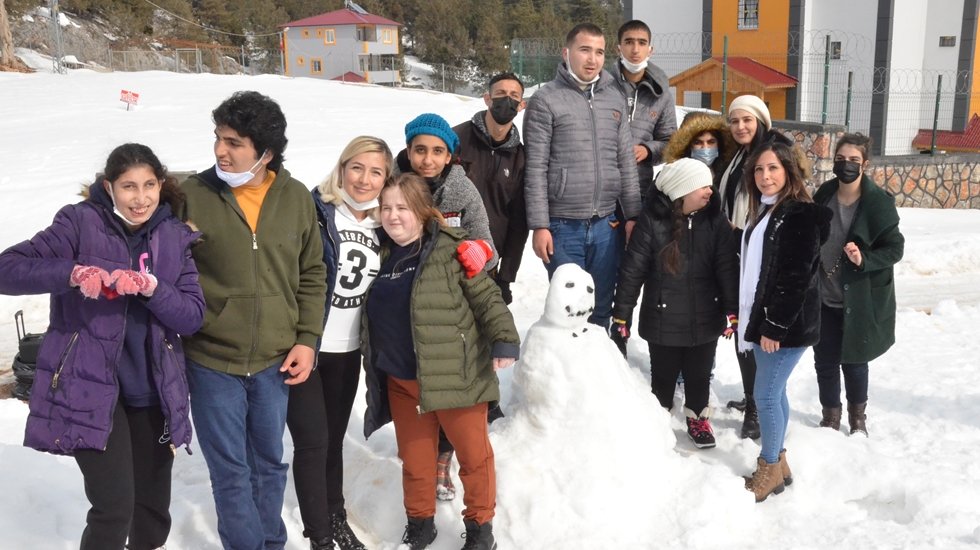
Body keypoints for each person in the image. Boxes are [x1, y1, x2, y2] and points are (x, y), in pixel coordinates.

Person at [0, 143, 205, 550]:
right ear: (109, 187)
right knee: (114, 508)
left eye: (149, 185)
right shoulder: (78, 224)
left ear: (161, 185)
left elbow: (191, 316)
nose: (141, 197)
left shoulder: (173, 236)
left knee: (152, 510)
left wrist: (153, 288)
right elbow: (7, 270)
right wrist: (71, 273)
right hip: (89, 389)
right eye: (129, 186)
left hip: (152, 390)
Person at [180, 91, 327, 550]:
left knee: (269, 463)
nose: (221, 150)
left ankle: (271, 543)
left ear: (265, 152)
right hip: (211, 359)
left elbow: (313, 273)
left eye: (234, 142)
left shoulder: (296, 197)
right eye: (218, 138)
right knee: (230, 472)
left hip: (274, 361)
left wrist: (307, 339)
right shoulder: (191, 196)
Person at [362, 173, 520, 550]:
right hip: (402, 381)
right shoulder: (379, 255)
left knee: (473, 458)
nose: (393, 216)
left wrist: (504, 339)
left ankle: (481, 531)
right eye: (386, 208)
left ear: (422, 210)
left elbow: (487, 298)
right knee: (416, 463)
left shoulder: (452, 249)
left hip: (457, 378)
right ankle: (420, 527)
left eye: (402, 207)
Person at [285, 137, 392, 550]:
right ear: (341, 167)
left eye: (376, 171)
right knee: (312, 442)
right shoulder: (315, 212)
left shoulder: (386, 224)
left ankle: (334, 514)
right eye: (357, 167)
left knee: (330, 441)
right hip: (307, 347)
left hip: (348, 353)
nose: (365, 179)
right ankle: (322, 536)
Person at [612, 158, 739, 449]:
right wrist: (622, 317)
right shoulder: (653, 221)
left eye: (710, 184)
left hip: (706, 316)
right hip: (662, 319)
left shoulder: (715, 221)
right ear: (682, 191)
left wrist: (732, 310)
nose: (710, 191)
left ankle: (697, 417)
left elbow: (726, 268)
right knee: (663, 377)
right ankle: (659, 419)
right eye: (702, 186)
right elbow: (633, 270)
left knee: (699, 375)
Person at [524, 22, 642, 329]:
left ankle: (599, 367)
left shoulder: (614, 99)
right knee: (569, 310)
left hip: (606, 224)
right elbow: (535, 167)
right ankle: (567, 373)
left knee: (602, 304)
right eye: (585, 50)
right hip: (562, 227)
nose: (592, 59)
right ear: (566, 53)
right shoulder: (545, 100)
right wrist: (539, 224)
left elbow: (625, 163)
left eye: (600, 52)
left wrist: (632, 216)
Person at [738, 141, 830, 502]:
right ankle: (781, 463)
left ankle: (770, 467)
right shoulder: (766, 210)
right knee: (774, 392)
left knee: (764, 395)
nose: (765, 176)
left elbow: (796, 277)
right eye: (759, 170)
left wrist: (774, 326)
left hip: (784, 326)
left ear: (789, 170)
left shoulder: (799, 214)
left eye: (773, 168)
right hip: (765, 320)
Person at [812, 133, 904, 436]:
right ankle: (830, 416)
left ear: (865, 164)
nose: (846, 165)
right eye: (841, 159)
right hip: (823, 294)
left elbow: (894, 249)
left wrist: (864, 258)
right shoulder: (824, 194)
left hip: (859, 298)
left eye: (853, 160)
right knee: (824, 361)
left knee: (854, 361)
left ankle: (857, 418)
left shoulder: (878, 203)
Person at [717, 94, 795, 440]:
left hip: (760, 258)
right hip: (739, 253)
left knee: (756, 335)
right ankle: (754, 397)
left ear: (761, 121)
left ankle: (759, 406)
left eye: (747, 119)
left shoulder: (772, 156)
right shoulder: (739, 158)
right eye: (734, 121)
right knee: (743, 332)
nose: (740, 126)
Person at [453, 72, 529, 305]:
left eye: (514, 96)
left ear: (522, 105)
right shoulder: (456, 139)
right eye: (500, 94)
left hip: (489, 262)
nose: (507, 100)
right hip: (450, 254)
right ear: (487, 98)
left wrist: (506, 276)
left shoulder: (521, 158)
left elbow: (519, 222)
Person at [396, 112, 499, 274]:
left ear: (448, 156)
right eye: (420, 150)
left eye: (437, 151)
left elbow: (488, 247)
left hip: (447, 282)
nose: (428, 160)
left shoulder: (463, 191)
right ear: (409, 151)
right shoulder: (389, 186)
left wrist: (480, 250)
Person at [614, 19, 677, 199]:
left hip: (639, 191)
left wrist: (647, 149)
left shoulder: (662, 94)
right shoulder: (602, 87)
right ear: (618, 48)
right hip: (602, 192)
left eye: (642, 43)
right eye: (629, 42)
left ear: (650, 50)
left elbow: (671, 142)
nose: (635, 49)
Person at [662, 111, 737, 185]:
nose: (705, 147)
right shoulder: (672, 173)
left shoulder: (728, 173)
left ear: (719, 144)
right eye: (698, 142)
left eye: (711, 142)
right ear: (688, 146)